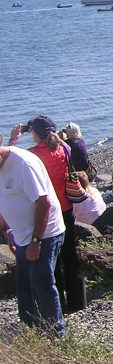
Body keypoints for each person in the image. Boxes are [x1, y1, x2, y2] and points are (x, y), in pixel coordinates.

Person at [9, 116, 86, 313]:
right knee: (71, 257)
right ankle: (79, 303)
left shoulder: (34, 155)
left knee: (53, 264)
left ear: (35, 134)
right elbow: (57, 141)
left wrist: (13, 139)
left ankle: (59, 305)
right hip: (67, 208)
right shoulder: (64, 149)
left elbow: (10, 161)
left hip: (49, 216)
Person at [0, 141, 67, 337]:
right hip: (21, 235)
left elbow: (44, 203)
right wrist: (8, 229)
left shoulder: (23, 164)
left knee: (42, 285)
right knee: (24, 287)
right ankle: (31, 331)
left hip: (45, 234)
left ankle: (55, 335)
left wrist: (36, 241)